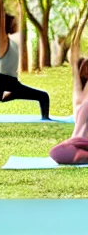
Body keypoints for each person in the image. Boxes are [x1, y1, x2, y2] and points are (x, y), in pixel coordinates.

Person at [50, 15, 88, 164]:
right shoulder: (78, 92)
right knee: (56, 152)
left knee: (60, 152)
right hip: (76, 142)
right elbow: (74, 59)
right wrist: (79, 28)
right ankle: (80, 155)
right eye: (84, 66)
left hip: (80, 142)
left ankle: (81, 155)